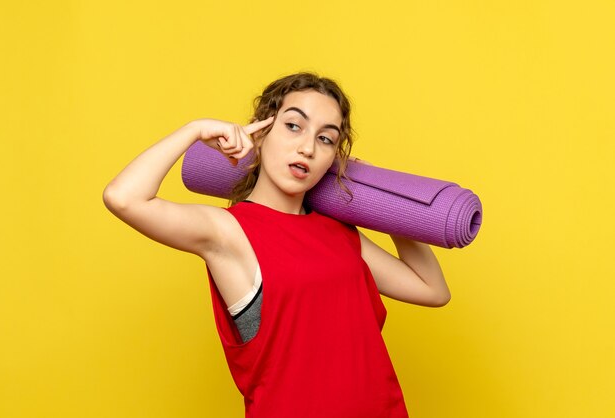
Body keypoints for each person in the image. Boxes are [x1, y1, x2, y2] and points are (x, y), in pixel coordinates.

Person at [103, 72, 450, 418]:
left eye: (327, 139)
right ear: (261, 131)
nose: (308, 148)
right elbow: (123, 198)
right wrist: (195, 130)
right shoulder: (229, 232)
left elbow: (432, 289)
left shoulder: (340, 233)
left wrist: (386, 199)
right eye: (294, 126)